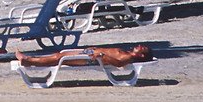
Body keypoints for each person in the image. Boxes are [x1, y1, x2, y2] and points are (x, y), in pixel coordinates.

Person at [15, 44, 154, 68]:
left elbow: (118, 64)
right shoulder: (128, 54)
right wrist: (97, 50)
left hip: (91, 59)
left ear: (141, 55)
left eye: (143, 48)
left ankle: (28, 61)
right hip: (91, 54)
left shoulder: (129, 58)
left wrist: (100, 54)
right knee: (60, 55)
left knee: (59, 58)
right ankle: (30, 60)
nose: (140, 45)